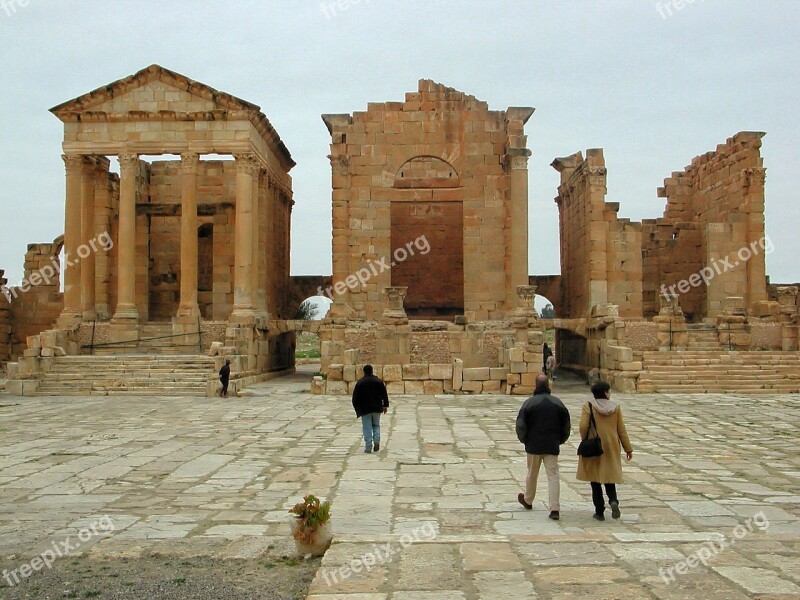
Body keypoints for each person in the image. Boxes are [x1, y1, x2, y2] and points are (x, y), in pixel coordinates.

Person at [515, 373, 571, 520]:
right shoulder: (558, 403)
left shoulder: (529, 403)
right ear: (548, 385)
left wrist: (525, 440)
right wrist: (560, 440)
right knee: (553, 476)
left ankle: (528, 499)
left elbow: (520, 425)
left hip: (533, 445)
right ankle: (554, 508)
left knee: (532, 473)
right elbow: (566, 426)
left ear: (536, 386)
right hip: (551, 444)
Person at [576, 381, 633, 521]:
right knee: (609, 477)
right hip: (611, 445)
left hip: (595, 443)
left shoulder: (589, 406)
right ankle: (613, 500)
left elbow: (583, 426)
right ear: (606, 393)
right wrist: (628, 448)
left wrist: (586, 438)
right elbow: (622, 430)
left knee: (595, 479)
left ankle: (599, 511)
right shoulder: (616, 407)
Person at [351, 364, 389, 453]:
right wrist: (385, 405)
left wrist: (357, 409)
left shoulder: (360, 382)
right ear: (372, 371)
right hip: (377, 407)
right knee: (376, 425)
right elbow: (384, 394)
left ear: (364, 371)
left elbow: (355, 398)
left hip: (365, 409)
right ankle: (376, 440)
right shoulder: (378, 381)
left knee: (367, 427)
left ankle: (368, 447)